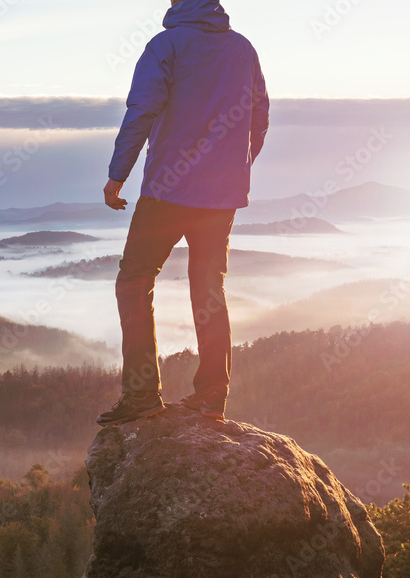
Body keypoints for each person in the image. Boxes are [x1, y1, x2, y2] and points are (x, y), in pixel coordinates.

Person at [97, 0, 269, 427]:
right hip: (222, 197)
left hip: (167, 192)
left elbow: (141, 111)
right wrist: (237, 166)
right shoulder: (243, 49)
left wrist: (117, 174)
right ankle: (212, 396)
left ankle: (142, 396)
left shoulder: (165, 45)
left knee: (135, 281)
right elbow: (260, 115)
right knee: (209, 287)